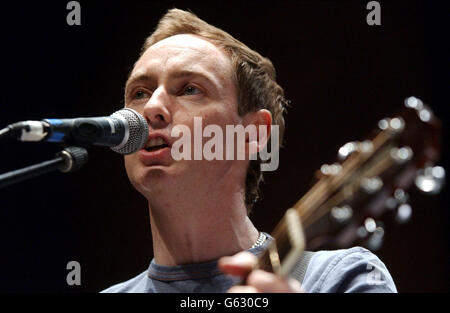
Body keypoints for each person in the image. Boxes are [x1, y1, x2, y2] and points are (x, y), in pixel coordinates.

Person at [102, 8, 397, 293]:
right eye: (139, 93)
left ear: (253, 132)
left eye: (190, 89)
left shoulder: (342, 278)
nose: (152, 107)